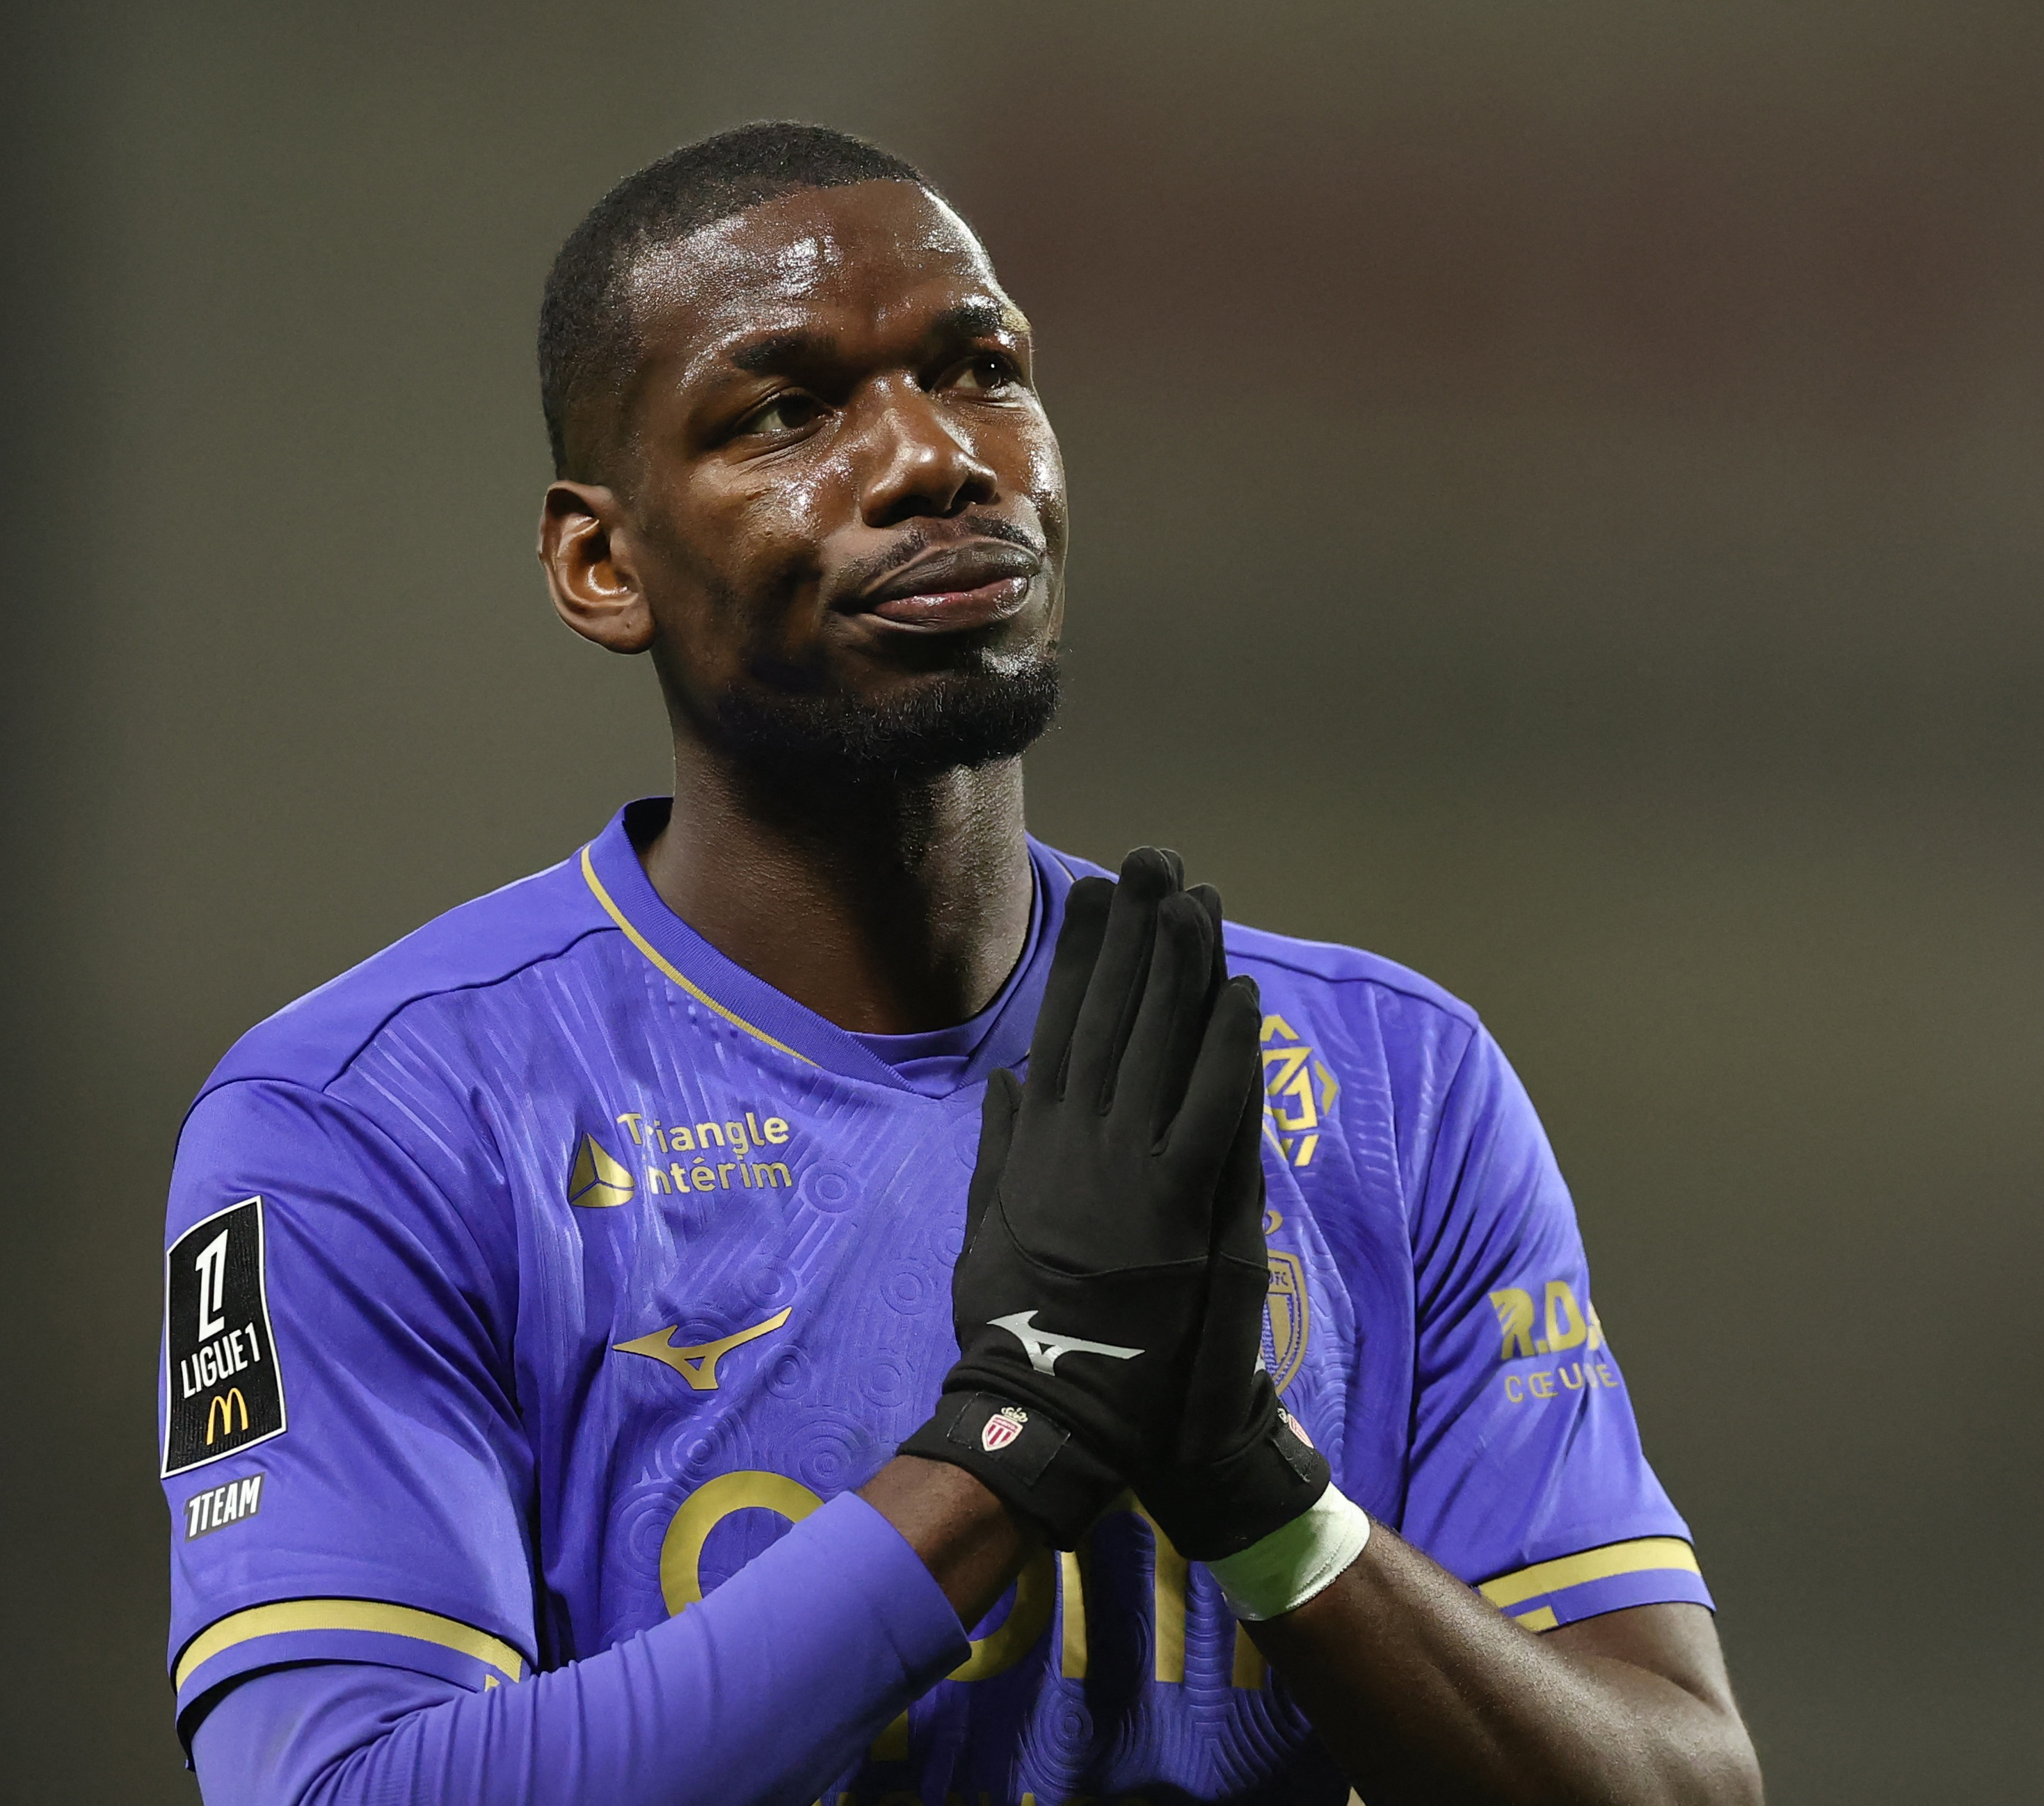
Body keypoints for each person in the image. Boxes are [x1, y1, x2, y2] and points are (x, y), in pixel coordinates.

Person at [158, 122, 1764, 1806]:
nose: (930, 457)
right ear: (600, 562)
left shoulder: (1384, 1083)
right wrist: (1016, 1435)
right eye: (786, 410)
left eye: (977, 367)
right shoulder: (362, 1122)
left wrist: (1256, 1493)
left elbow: (1680, 1784)